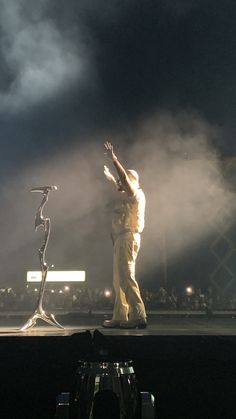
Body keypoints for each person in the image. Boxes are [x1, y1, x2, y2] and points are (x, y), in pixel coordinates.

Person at [103, 141, 147, 329]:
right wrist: (111, 178)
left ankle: (138, 316)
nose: (121, 182)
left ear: (134, 180)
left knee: (127, 275)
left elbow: (125, 183)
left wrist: (114, 160)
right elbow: (119, 184)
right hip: (121, 238)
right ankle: (121, 316)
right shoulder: (124, 193)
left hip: (129, 237)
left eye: (125, 179)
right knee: (118, 278)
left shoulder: (136, 192)